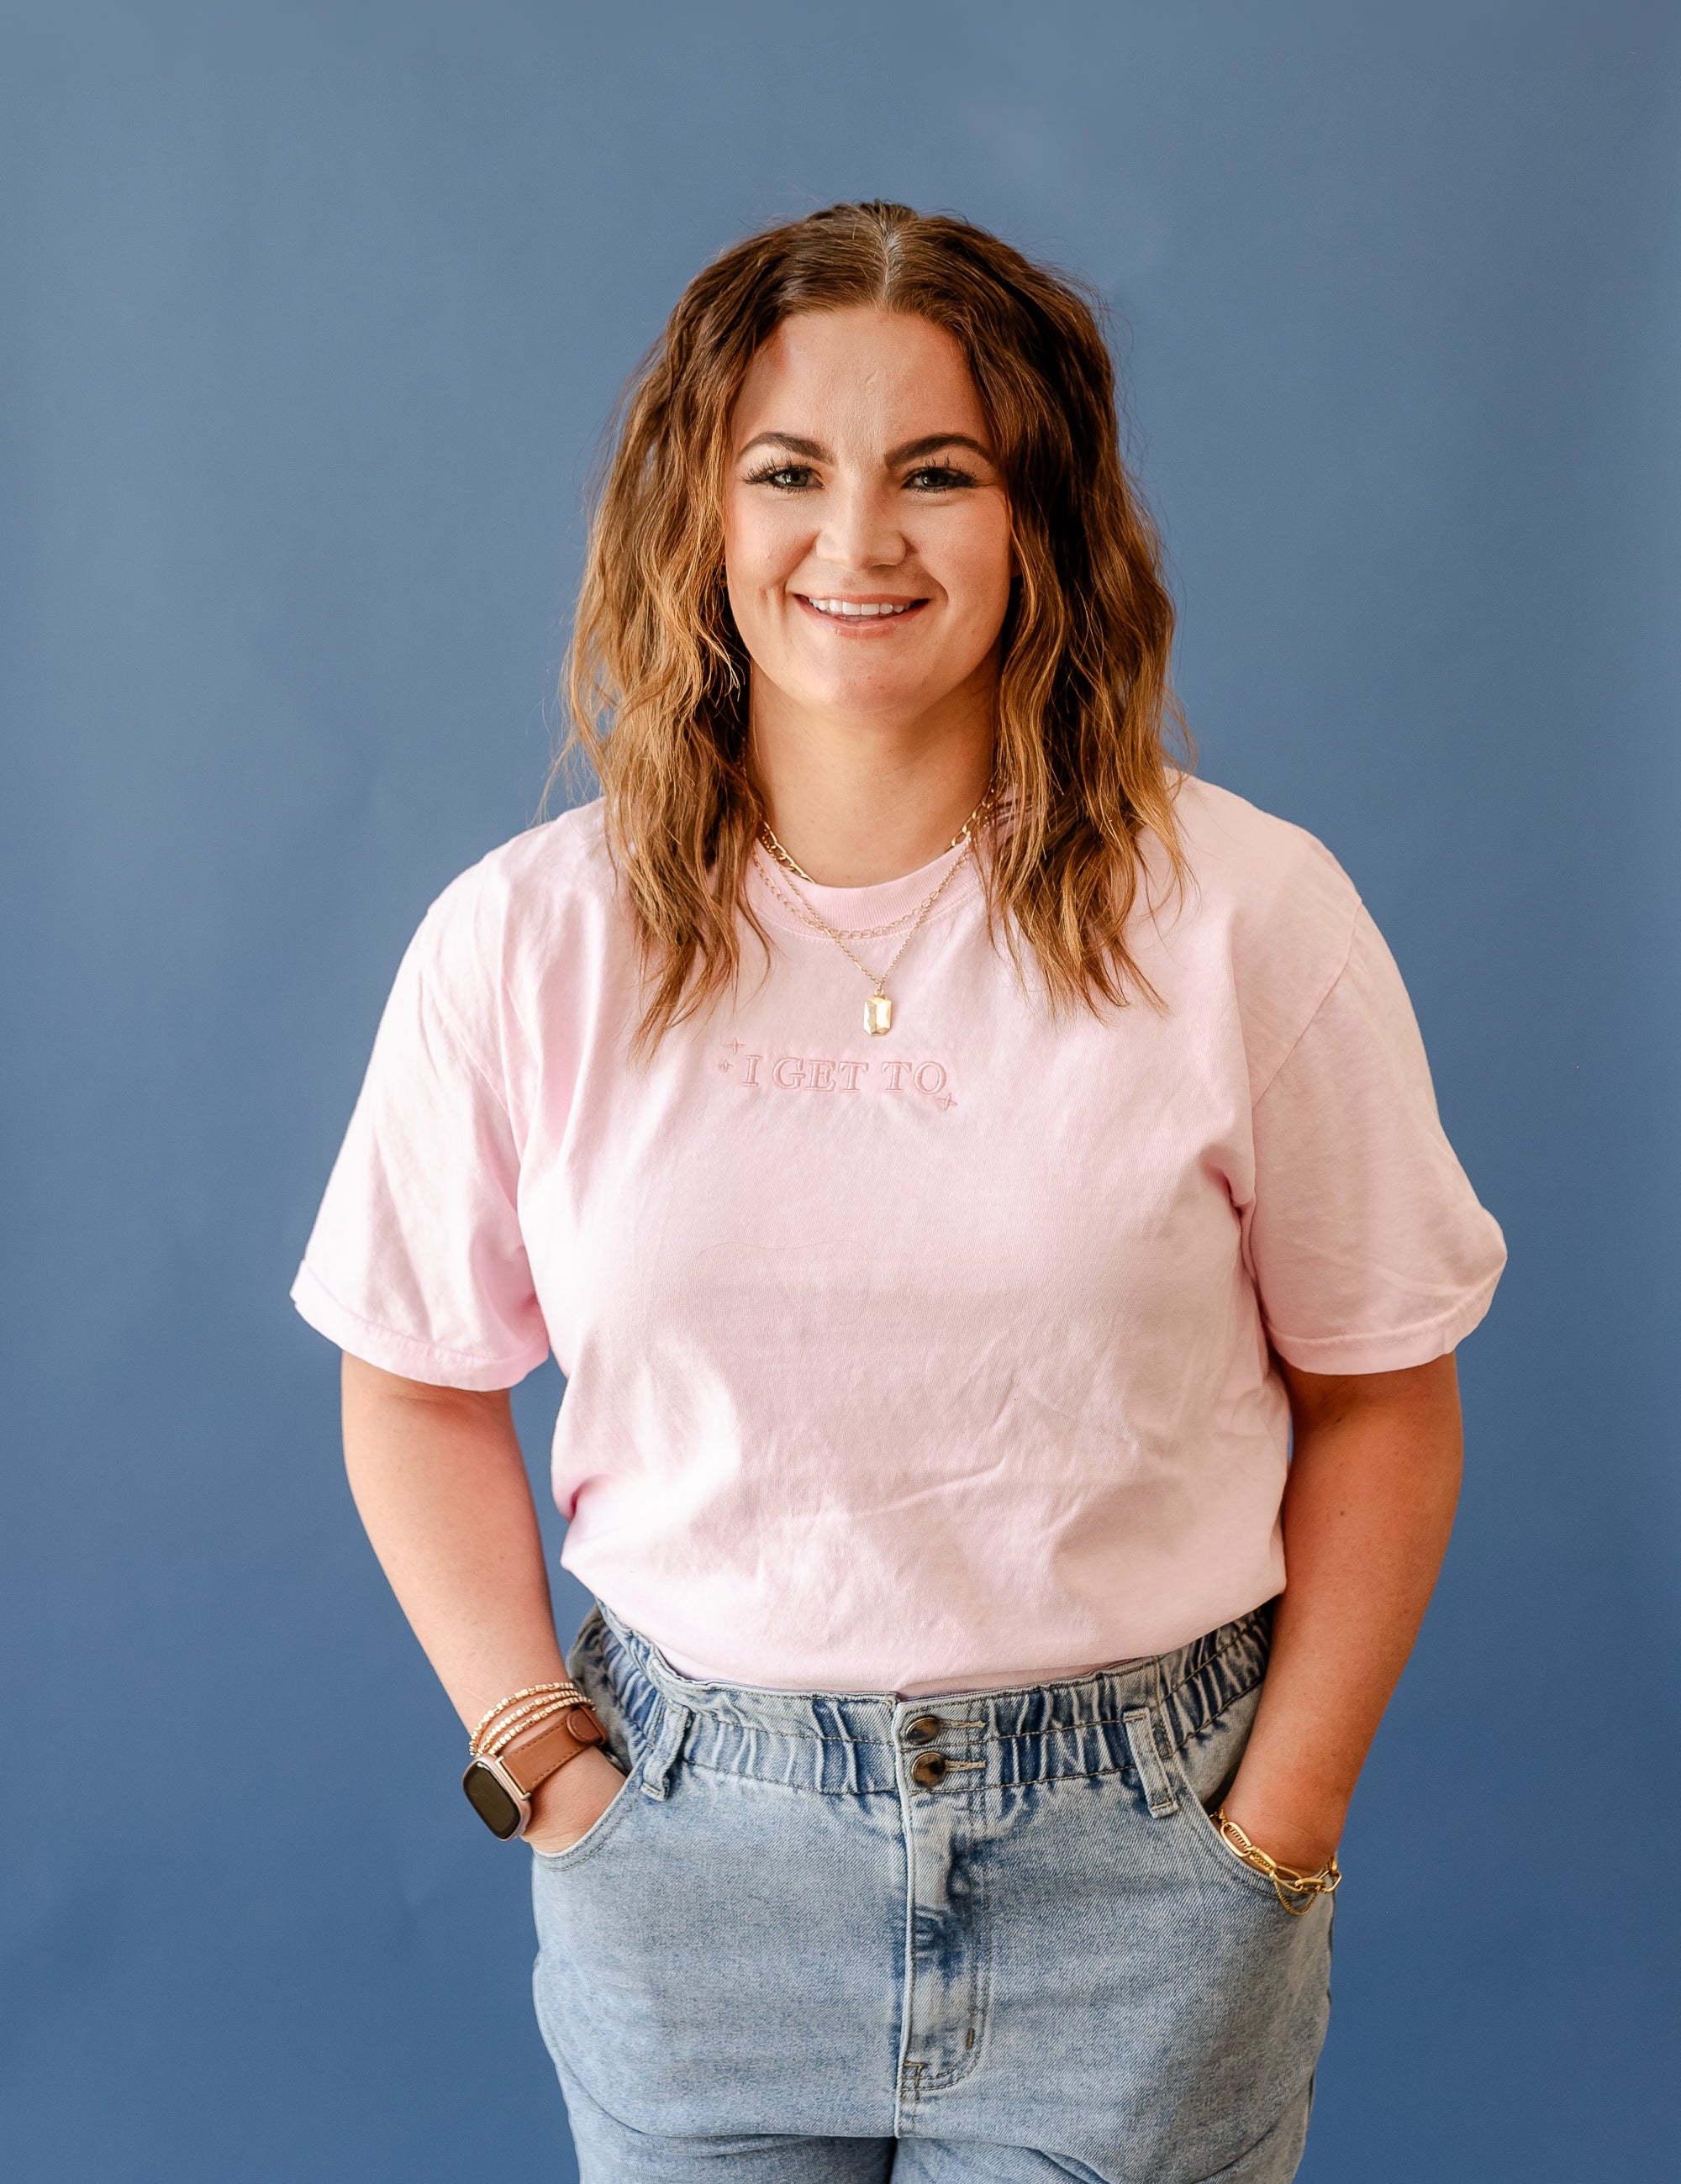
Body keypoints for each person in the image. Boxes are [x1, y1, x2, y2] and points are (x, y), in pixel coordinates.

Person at [292, 200, 1506, 2182]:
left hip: (1144, 1866)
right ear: (699, 512)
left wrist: (1277, 1829)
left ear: (1042, 522)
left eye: (936, 473)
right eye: (787, 471)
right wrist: (544, 1762)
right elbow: (412, 1377)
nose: (855, 540)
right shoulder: (524, 941)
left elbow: (1383, 1394)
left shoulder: (1246, 917)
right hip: (685, 1859)